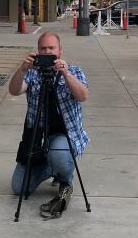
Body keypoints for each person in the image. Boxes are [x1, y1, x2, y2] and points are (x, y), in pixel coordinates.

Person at [9, 31, 89, 219]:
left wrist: (65, 74)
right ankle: (50, 166)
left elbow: (83, 96)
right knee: (18, 187)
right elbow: (14, 91)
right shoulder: (33, 74)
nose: (47, 52)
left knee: (59, 153)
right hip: (38, 140)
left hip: (63, 137)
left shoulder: (74, 71)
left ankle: (65, 179)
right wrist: (21, 70)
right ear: (37, 51)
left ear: (60, 50)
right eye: (43, 48)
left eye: (51, 48)